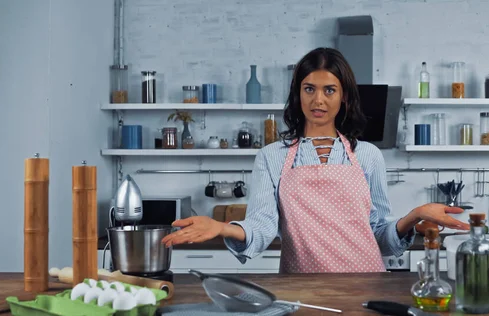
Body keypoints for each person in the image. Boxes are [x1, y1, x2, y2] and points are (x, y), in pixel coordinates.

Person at [161, 47, 469, 273]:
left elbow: (380, 237)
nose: (318, 100)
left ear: (344, 96)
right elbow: (262, 227)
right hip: (301, 287)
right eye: (309, 88)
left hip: (367, 282)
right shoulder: (272, 157)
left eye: (329, 90)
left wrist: (414, 215)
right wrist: (222, 228)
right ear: (298, 93)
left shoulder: (367, 155)